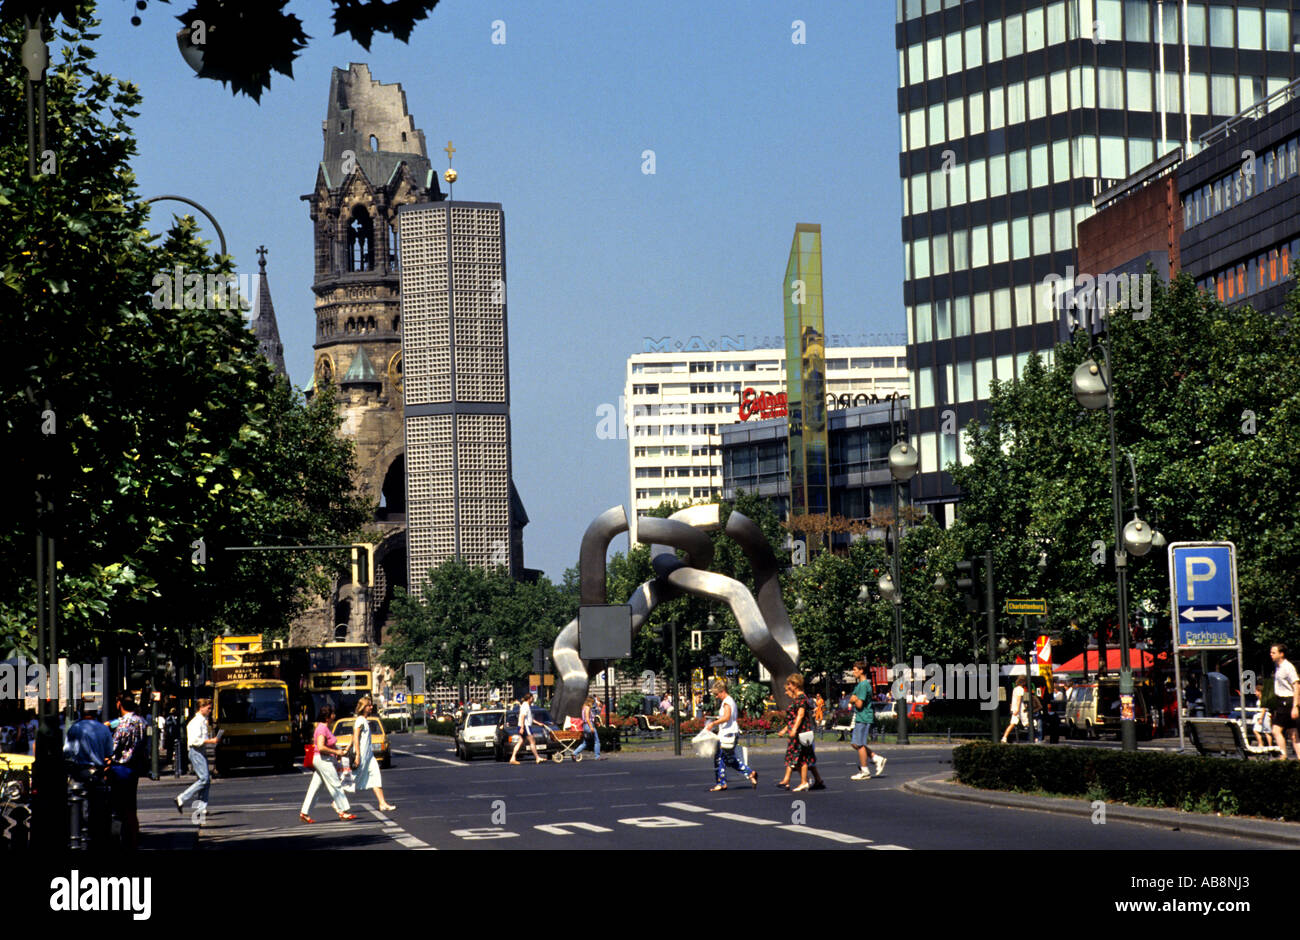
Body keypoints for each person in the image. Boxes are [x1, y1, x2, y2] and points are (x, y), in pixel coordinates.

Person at [105, 693, 148, 847]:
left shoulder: (124, 724)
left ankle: (120, 839)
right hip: (134, 767)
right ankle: (134, 838)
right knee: (131, 807)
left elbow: (113, 747)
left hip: (120, 767)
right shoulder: (141, 721)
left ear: (119, 704)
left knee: (118, 807)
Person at [299, 705, 355, 823]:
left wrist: (339, 752)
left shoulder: (325, 728)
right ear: (327, 716)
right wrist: (336, 751)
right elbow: (321, 747)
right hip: (323, 760)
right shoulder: (322, 729)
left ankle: (304, 812)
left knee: (315, 787)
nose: (334, 715)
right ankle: (343, 811)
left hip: (322, 759)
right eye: (333, 714)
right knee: (335, 785)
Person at [703, 680, 756, 791]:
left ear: (722, 691)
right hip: (730, 732)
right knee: (726, 758)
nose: (716, 696)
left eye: (717, 694)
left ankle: (722, 782)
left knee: (721, 758)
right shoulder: (729, 701)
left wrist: (713, 723)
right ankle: (749, 773)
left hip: (727, 734)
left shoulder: (727, 702)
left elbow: (727, 717)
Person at [777, 674, 824, 792]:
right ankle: (813, 780)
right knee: (801, 757)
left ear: (796, 685)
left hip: (802, 731)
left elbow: (800, 715)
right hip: (801, 731)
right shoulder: (800, 698)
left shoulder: (801, 698)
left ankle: (804, 782)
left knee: (801, 757)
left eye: (790, 684)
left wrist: (794, 729)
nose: (788, 687)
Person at [175, 698, 219, 824]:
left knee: (206, 781)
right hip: (196, 751)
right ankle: (181, 798)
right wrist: (211, 741)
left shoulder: (203, 721)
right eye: (208, 708)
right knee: (204, 779)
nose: (210, 711)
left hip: (200, 751)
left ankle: (201, 808)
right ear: (201, 708)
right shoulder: (195, 723)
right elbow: (195, 740)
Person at [350, 695, 396, 811]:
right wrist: (358, 755)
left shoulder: (364, 720)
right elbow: (355, 736)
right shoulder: (360, 720)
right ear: (364, 707)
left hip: (369, 756)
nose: (371, 707)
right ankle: (337, 802)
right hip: (362, 756)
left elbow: (355, 737)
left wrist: (347, 748)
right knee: (351, 780)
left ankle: (382, 803)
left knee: (376, 776)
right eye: (369, 705)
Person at [849, 661, 887, 780]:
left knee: (860, 744)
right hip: (861, 717)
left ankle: (865, 770)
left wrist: (854, 700)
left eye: (855, 669)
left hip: (864, 717)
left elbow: (859, 704)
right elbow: (852, 699)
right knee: (855, 743)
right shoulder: (860, 685)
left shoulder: (863, 685)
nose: (853, 672)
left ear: (861, 671)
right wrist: (853, 699)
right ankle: (876, 759)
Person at [1270, 643, 1300, 759]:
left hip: (1286, 701)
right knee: (1293, 733)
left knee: (1276, 730)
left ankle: (1283, 757)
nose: (1271, 654)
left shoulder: (1288, 667)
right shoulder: (1278, 666)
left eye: (1274, 652)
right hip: (1282, 701)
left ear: (1281, 654)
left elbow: (1296, 685)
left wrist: (1295, 706)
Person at [510, 692, 544, 764]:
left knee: (520, 742)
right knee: (532, 741)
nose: (533, 699)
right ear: (529, 698)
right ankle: (537, 757)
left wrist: (538, 723)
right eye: (532, 698)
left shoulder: (526, 705)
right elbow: (522, 716)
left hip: (524, 726)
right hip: (525, 726)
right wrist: (522, 727)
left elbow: (530, 718)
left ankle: (512, 758)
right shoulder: (525, 706)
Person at [572, 695, 602, 760]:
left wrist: (595, 722)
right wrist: (591, 727)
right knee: (597, 741)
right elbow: (587, 718)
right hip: (589, 725)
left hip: (585, 726)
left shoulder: (584, 707)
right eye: (593, 702)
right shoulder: (587, 708)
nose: (593, 703)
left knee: (586, 742)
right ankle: (597, 756)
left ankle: (575, 753)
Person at [1002, 677, 1031, 744]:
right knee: (1027, 723)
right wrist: (1018, 709)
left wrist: (1013, 708)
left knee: (1012, 724)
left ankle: (1004, 737)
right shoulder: (1021, 689)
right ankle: (1033, 737)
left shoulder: (1015, 689)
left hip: (1014, 708)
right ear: (1023, 682)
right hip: (1020, 709)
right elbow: (1019, 699)